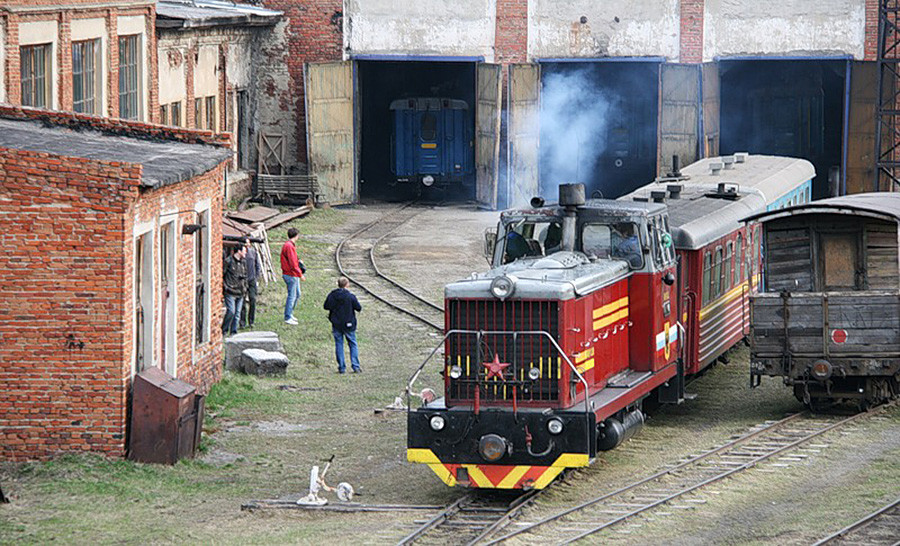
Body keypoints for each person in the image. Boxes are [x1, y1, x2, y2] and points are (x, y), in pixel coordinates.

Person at [323, 276, 362, 374]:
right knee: (353, 344)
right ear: (347, 285)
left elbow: (326, 306)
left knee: (339, 344)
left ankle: (341, 367)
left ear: (338, 284)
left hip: (336, 324)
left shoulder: (332, 295)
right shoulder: (350, 296)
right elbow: (358, 307)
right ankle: (355, 366)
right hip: (349, 323)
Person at [280, 227, 306, 325]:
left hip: (292, 274)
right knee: (292, 295)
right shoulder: (289, 246)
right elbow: (292, 264)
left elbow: (293, 260)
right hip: (291, 274)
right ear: (296, 236)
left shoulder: (289, 245)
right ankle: (287, 316)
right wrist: (300, 275)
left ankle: (290, 313)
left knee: (297, 294)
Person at [222, 241, 248, 336]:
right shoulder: (228, 261)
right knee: (231, 311)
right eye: (244, 251)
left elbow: (245, 275)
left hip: (240, 291)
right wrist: (226, 287)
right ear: (239, 251)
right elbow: (222, 275)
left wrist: (245, 287)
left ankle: (233, 332)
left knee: (237, 314)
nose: (246, 253)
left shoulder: (243, 262)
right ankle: (224, 330)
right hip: (230, 291)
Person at [240, 239, 262, 329]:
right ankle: (242, 322)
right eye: (246, 243)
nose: (247, 245)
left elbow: (257, 265)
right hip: (242, 280)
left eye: (248, 243)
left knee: (252, 299)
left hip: (252, 280)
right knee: (242, 302)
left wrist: (256, 277)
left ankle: (251, 321)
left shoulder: (253, 252)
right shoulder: (240, 253)